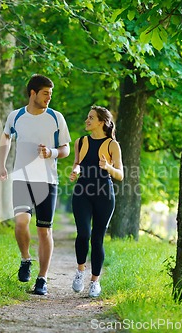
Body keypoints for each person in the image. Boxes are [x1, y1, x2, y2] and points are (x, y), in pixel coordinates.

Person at [0, 74, 71, 295]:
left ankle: (42, 279)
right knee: (20, 224)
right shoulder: (16, 116)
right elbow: (5, 138)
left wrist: (51, 152)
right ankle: (25, 259)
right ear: (33, 93)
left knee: (43, 230)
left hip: (47, 181)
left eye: (51, 93)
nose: (49, 97)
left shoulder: (56, 118)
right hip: (21, 178)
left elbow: (66, 149)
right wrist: (1, 165)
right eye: (45, 93)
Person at [69, 106, 124, 297]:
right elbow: (77, 163)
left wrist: (108, 166)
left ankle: (95, 281)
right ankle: (80, 271)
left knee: (97, 238)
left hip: (104, 194)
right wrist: (75, 171)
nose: (87, 120)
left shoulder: (112, 145)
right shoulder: (81, 141)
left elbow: (120, 175)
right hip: (82, 191)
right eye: (87, 117)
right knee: (83, 233)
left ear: (101, 122)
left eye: (91, 118)